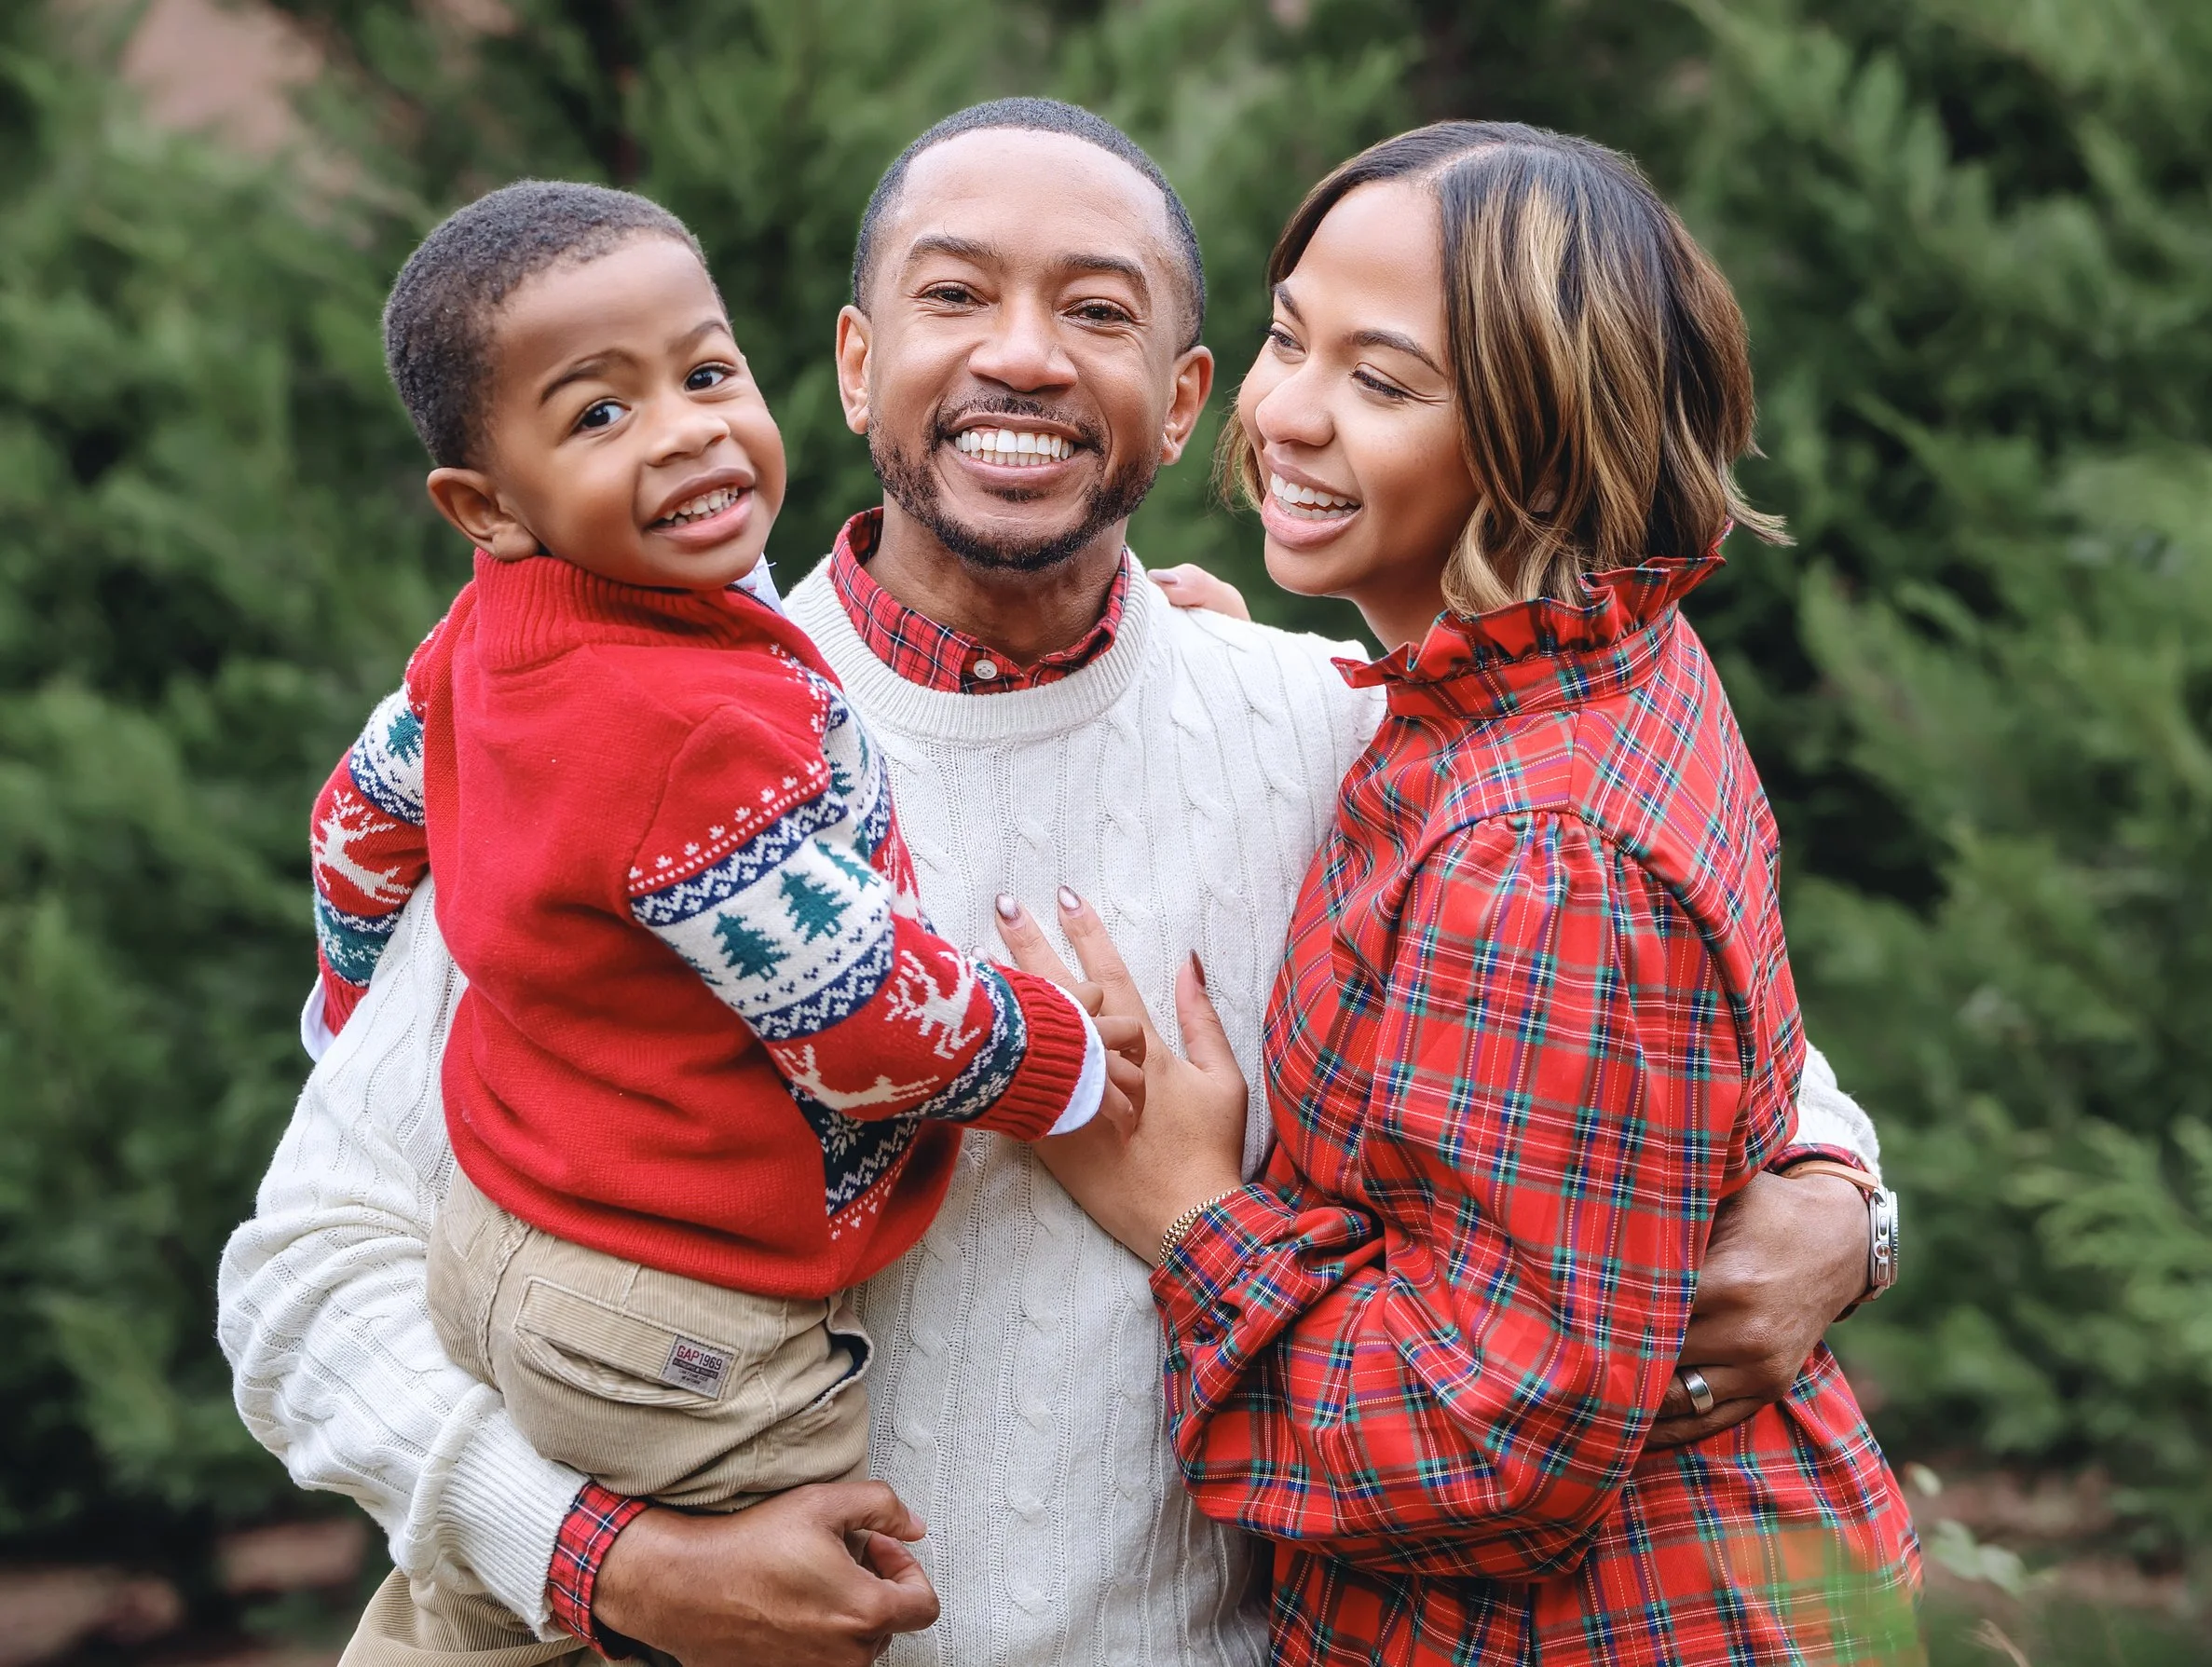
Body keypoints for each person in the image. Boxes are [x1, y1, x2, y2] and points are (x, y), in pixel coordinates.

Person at [219, 102, 1891, 1667]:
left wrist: (1841, 1204)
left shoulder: (1326, 732)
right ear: (858, 369)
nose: (1020, 353)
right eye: (956, 295)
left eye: (1098, 311)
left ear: (1182, 398)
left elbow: (1710, 1040)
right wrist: (601, 1561)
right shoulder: (622, 751)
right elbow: (303, 1277)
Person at [995, 122, 1921, 1665]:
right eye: (1291, 338)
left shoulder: (1539, 855)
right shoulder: (1581, 666)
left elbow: (1485, 1447)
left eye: (1385, 381)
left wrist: (1189, 1214)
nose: (1285, 412)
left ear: (1543, 436)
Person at [295, 177, 1145, 1655]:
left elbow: (359, 823)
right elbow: (862, 1021)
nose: (686, 429)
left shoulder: (489, 636)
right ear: (485, 504)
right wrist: (1059, 1061)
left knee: (472, 1613)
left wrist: (353, 994)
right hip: (674, 1320)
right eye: (599, 414)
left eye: (704, 374)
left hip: (499, 1238)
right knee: (806, 1603)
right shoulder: (692, 734)